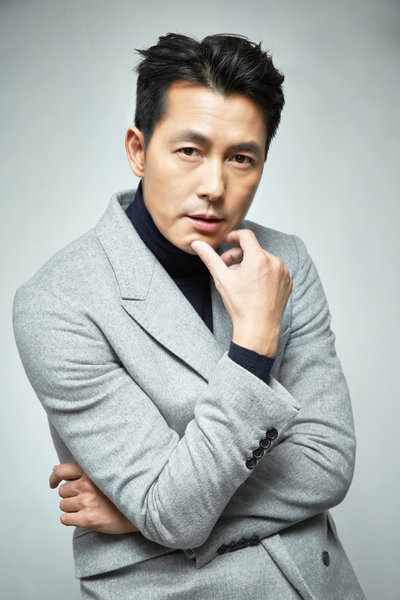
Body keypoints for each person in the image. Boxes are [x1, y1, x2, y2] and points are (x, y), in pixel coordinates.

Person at [13, 33, 366, 599]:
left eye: (241, 158)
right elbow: (172, 514)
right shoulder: (57, 303)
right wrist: (253, 346)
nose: (214, 187)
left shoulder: (285, 261)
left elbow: (327, 463)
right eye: (189, 151)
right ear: (138, 149)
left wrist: (144, 516)